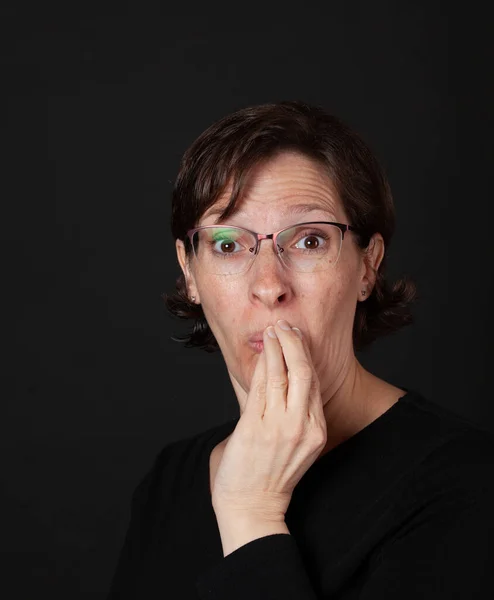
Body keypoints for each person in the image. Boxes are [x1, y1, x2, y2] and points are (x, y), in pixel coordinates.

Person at [106, 101, 494, 599]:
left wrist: (252, 510)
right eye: (228, 244)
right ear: (189, 273)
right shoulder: (170, 479)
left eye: (309, 241)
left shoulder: (467, 485)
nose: (269, 285)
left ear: (368, 266)